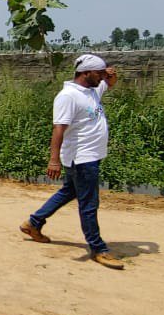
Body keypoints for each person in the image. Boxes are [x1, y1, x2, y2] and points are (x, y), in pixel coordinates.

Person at [20, 54, 124, 270]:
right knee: (89, 204)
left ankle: (33, 223)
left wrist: (110, 76)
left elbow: (109, 84)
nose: (103, 77)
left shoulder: (92, 90)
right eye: (99, 73)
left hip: (91, 155)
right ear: (86, 73)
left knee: (69, 191)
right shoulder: (68, 96)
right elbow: (59, 128)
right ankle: (98, 249)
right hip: (81, 158)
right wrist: (53, 160)